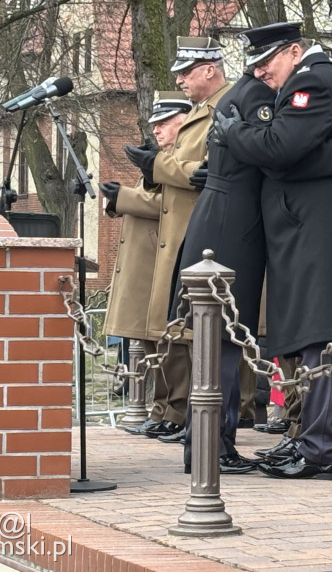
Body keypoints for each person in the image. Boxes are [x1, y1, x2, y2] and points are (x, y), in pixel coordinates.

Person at [211, 21, 332, 480]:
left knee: (325, 336)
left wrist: (233, 135)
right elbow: (291, 156)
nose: (262, 73)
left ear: (293, 51)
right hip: (317, 226)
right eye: (256, 66)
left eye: (267, 62)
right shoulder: (302, 81)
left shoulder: (311, 81)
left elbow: (279, 147)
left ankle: (322, 450)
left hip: (329, 229)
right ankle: (312, 440)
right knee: (315, 338)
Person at [165, 60, 276, 475]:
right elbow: (269, 151)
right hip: (233, 228)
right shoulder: (258, 97)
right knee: (223, 344)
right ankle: (214, 445)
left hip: (219, 218)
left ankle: (206, 442)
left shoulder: (233, 96)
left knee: (216, 344)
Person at [124, 39, 232, 441]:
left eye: (187, 72)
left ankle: (198, 420)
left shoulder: (223, 109)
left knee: (196, 336)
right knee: (173, 333)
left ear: (210, 69)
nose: (179, 79)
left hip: (203, 234)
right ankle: (173, 412)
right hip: (181, 236)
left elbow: (202, 172)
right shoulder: (204, 114)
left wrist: (156, 165)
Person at [100, 95, 188, 433]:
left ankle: (174, 414)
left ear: (185, 120)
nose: (157, 129)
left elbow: (169, 204)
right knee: (152, 343)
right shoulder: (165, 158)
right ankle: (161, 410)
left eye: (165, 122)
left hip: (162, 261)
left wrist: (122, 197)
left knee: (171, 345)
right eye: (155, 123)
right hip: (146, 261)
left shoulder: (182, 160)